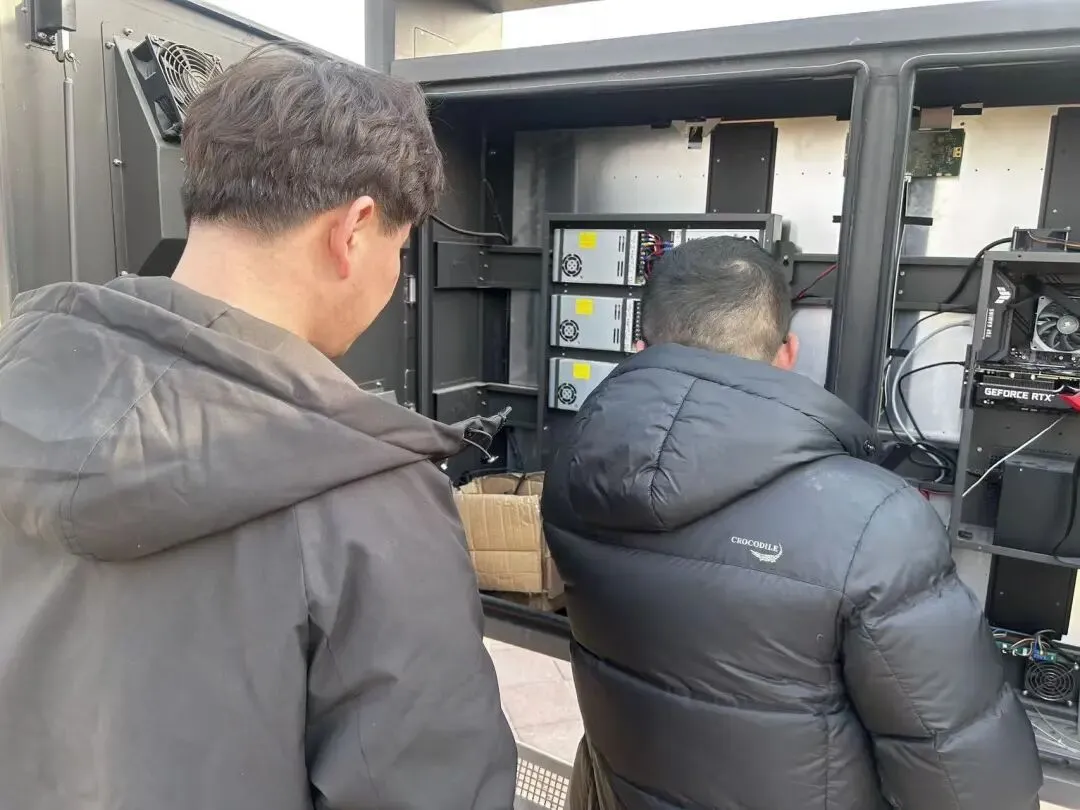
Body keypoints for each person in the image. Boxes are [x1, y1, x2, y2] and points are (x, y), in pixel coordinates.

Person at [0, 45, 515, 810]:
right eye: (400, 250)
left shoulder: (21, 389)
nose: (394, 276)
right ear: (354, 229)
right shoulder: (374, 506)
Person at [542, 236, 1043, 810]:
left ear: (640, 349)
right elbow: (969, 783)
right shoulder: (874, 523)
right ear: (788, 353)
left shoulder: (571, 474)